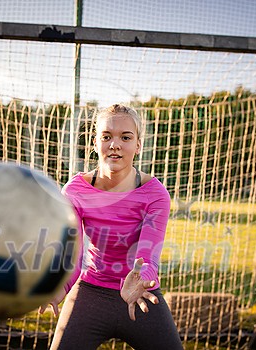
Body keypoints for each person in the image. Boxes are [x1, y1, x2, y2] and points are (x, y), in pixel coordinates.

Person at [39, 104, 183, 350]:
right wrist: (61, 286)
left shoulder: (155, 194)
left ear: (138, 145)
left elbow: (148, 257)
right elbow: (74, 251)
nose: (115, 144)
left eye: (125, 137)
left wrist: (141, 279)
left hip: (139, 294)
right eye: (106, 136)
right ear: (95, 143)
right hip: (91, 293)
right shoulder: (75, 190)